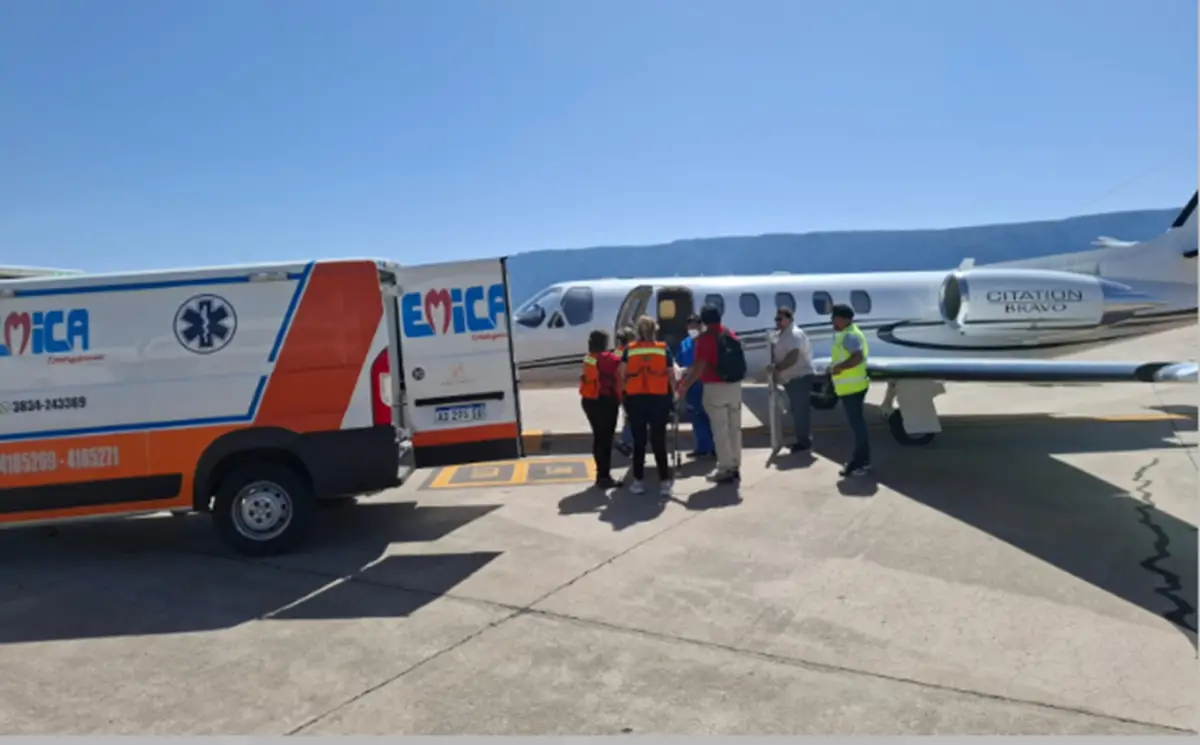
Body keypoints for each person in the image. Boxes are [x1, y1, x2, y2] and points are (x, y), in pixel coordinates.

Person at [676, 303, 745, 484]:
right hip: (734, 386)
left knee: (720, 429)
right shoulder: (730, 334)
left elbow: (698, 368)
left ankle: (724, 468)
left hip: (715, 388)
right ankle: (735, 465)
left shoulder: (705, 339)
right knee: (734, 428)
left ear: (704, 320)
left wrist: (684, 385)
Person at [619, 315, 677, 496]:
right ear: (654, 330)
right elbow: (670, 375)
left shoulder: (629, 350)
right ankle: (664, 482)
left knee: (639, 442)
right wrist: (674, 394)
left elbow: (622, 374)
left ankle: (638, 481)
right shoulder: (663, 349)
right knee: (659, 440)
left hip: (636, 399)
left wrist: (625, 395)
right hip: (659, 399)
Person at [828, 303, 871, 477]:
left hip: (853, 388)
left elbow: (858, 357)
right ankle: (862, 460)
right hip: (851, 387)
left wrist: (839, 368)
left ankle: (860, 462)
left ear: (844, 319)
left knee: (857, 427)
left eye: (835, 317)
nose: (832, 321)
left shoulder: (849, 336)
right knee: (857, 426)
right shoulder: (846, 333)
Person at [765, 306, 814, 452]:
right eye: (776, 319)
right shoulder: (783, 334)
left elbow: (793, 356)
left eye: (780, 319)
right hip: (790, 378)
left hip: (799, 377)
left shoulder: (794, 334)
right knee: (796, 410)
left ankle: (804, 442)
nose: (777, 322)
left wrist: (777, 367)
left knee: (800, 411)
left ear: (789, 319)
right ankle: (802, 438)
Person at [579, 329, 622, 489]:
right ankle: (604, 477)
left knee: (598, 438)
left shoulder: (589, 358)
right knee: (606, 439)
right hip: (606, 402)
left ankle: (601, 474)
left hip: (590, 401)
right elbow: (620, 363)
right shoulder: (608, 358)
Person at [675, 313, 715, 458]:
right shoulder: (684, 343)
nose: (692, 328)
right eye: (689, 325)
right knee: (696, 417)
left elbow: (703, 362)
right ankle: (702, 447)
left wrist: (690, 369)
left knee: (709, 416)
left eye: (694, 325)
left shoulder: (705, 342)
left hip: (704, 383)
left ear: (700, 326)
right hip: (690, 386)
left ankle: (714, 448)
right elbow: (678, 361)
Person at [613, 326, 636, 457]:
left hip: (620, 390)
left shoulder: (616, 353)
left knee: (628, 417)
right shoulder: (629, 353)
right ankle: (626, 442)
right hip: (628, 390)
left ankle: (627, 442)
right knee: (631, 418)